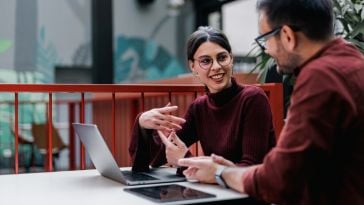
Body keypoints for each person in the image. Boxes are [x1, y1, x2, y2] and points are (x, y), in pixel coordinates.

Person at [178, 0, 364, 204]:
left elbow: (280, 179)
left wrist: (220, 173)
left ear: (287, 36)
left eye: (265, 39)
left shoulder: (320, 78)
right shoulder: (353, 61)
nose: (266, 50)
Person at [129, 26, 276, 173]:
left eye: (222, 57)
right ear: (193, 67)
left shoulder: (253, 98)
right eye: (206, 61)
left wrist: (185, 159)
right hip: (219, 193)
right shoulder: (199, 107)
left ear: (231, 59)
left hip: (251, 194)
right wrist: (143, 123)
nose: (216, 67)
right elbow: (158, 158)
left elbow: (251, 169)